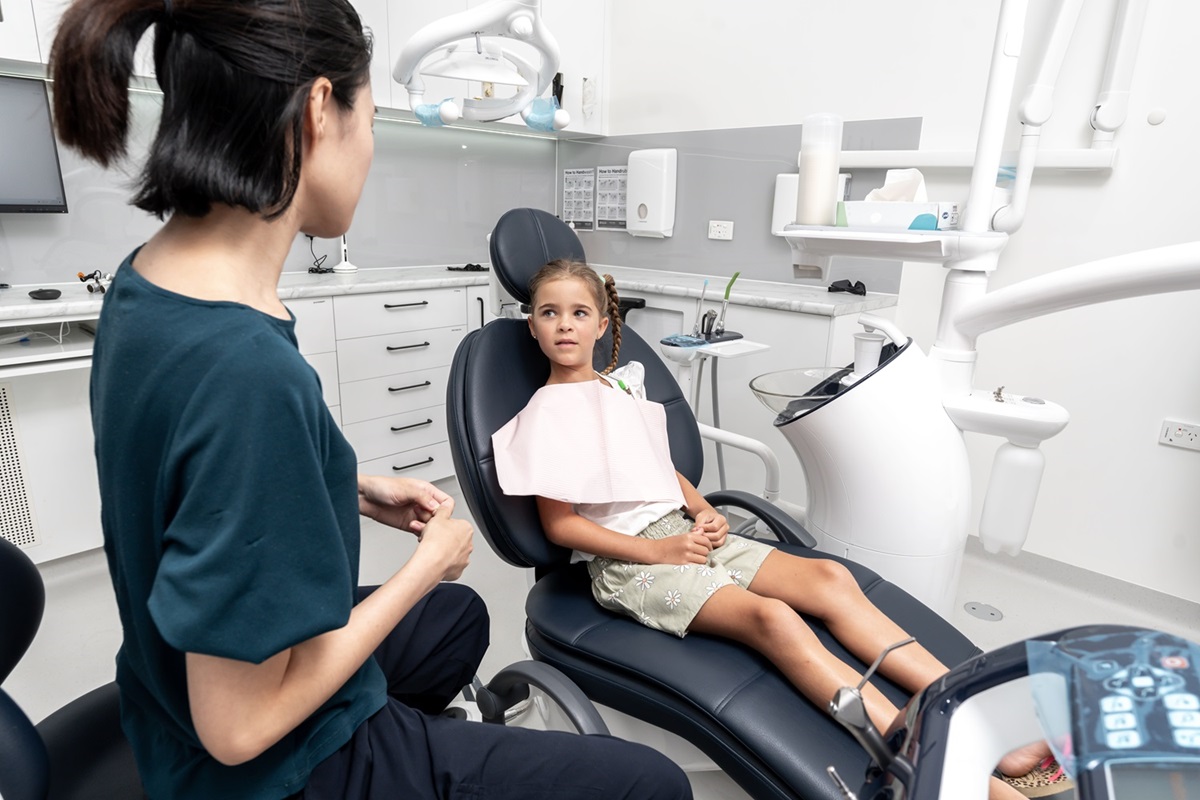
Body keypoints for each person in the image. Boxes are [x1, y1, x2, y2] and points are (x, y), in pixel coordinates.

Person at [51, 2, 692, 798]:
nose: (372, 147)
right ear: (321, 110)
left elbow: (185, 467)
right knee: (647, 784)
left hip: (163, 684)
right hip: (277, 769)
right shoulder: (246, 370)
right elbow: (237, 728)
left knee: (459, 620)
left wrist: (343, 484)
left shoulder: (149, 282)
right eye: (371, 117)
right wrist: (419, 570)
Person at [493, 259, 1072, 800]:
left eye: (578, 312)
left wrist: (700, 509)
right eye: (549, 313)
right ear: (533, 327)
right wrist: (660, 549)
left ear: (601, 323)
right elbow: (563, 526)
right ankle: (930, 758)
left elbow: (659, 468)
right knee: (774, 618)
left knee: (829, 579)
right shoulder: (547, 416)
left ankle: (979, 713)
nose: (564, 325)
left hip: (685, 533)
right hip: (631, 566)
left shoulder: (619, 389)